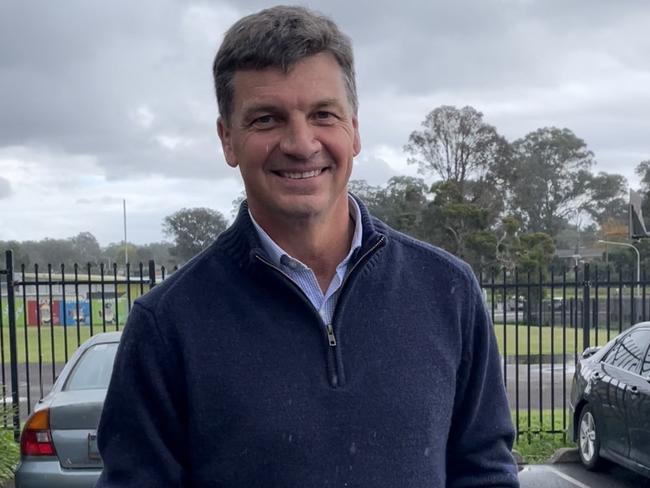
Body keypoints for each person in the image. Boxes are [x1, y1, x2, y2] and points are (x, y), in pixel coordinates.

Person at [96, 6, 519, 487]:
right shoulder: (167, 324)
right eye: (266, 119)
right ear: (227, 139)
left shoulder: (448, 290)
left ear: (354, 130)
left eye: (323, 114)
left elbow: (484, 471)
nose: (300, 143)